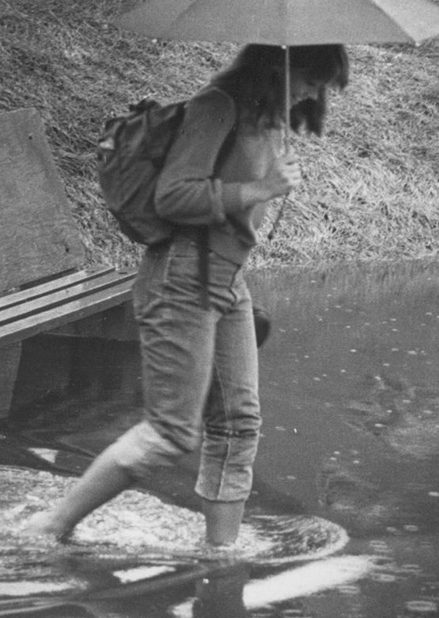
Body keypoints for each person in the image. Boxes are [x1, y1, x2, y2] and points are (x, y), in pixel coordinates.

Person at [24, 44, 350, 546]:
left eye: (321, 86)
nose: (312, 93)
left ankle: (219, 554)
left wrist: (266, 183)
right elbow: (172, 196)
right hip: (182, 276)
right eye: (310, 79)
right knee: (172, 432)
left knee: (239, 424)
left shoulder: (268, 121)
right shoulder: (216, 107)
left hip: (227, 280)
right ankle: (49, 527)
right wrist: (259, 189)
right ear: (277, 65)